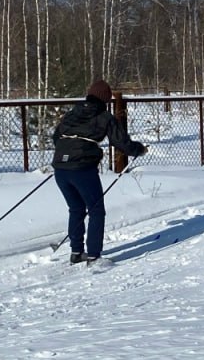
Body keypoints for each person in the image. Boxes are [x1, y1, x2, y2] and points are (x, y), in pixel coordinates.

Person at [51, 79, 147, 264]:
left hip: (61, 169)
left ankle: (76, 252)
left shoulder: (72, 113)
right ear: (105, 98)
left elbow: (56, 138)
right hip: (83, 169)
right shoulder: (104, 116)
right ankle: (94, 256)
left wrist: (68, 155)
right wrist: (139, 150)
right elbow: (121, 143)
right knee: (96, 211)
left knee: (76, 208)